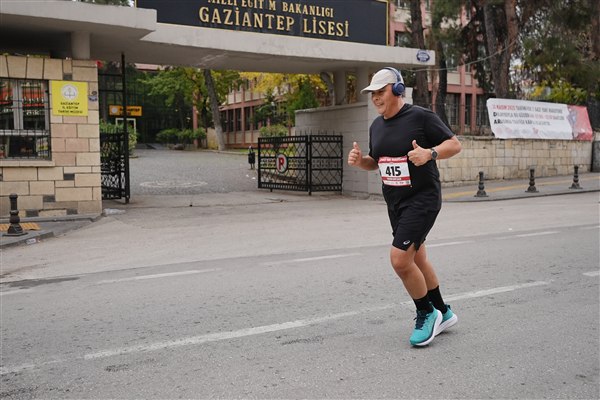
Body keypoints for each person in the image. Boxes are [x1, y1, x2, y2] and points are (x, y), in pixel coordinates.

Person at [348, 67, 462, 346]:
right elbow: (376, 161)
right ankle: (444, 312)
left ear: (398, 90)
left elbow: (454, 144)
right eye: (372, 93)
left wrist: (430, 154)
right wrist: (361, 161)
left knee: (400, 260)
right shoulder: (376, 126)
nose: (376, 98)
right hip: (396, 203)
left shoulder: (421, 117)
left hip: (422, 199)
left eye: (381, 91)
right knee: (418, 259)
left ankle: (427, 312)